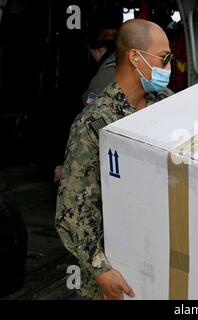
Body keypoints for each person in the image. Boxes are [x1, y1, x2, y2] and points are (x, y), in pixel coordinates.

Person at [56, 19, 174, 300]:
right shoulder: (95, 122)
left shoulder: (166, 103)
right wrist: (101, 270)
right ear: (136, 57)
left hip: (159, 256)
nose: (170, 65)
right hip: (117, 272)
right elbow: (73, 209)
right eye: (165, 57)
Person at [54, 13, 122, 184]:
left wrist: (68, 164)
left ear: (97, 49)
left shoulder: (104, 76)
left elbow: (91, 120)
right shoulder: (124, 64)